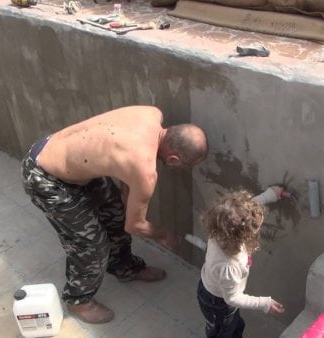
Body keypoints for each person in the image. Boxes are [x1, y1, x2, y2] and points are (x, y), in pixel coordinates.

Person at [21, 105, 208, 324]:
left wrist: (128, 194)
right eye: (180, 166)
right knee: (90, 243)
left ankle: (124, 267)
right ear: (174, 159)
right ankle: (78, 300)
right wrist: (163, 234)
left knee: (116, 215)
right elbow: (135, 226)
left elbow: (121, 160)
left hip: (70, 160)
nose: (176, 169)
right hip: (45, 176)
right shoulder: (145, 171)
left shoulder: (151, 113)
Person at [197, 186, 286, 338]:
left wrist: (270, 195)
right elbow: (232, 298)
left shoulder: (222, 227)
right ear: (242, 236)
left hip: (217, 292)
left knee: (235, 325)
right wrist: (264, 304)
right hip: (218, 303)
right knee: (223, 332)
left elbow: (242, 212)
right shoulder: (228, 266)